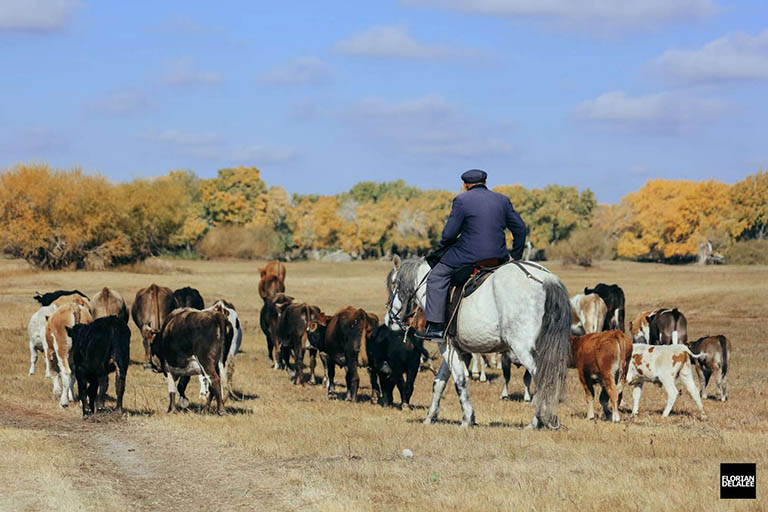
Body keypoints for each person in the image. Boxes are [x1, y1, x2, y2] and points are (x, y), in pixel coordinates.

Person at [416, 169, 527, 339]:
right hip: (498, 256)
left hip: (467, 256)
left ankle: (436, 328)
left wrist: (442, 249)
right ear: (485, 183)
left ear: (465, 185)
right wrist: (515, 255)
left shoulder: (461, 200)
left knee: (436, 277)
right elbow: (520, 228)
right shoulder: (502, 200)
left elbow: (449, 234)